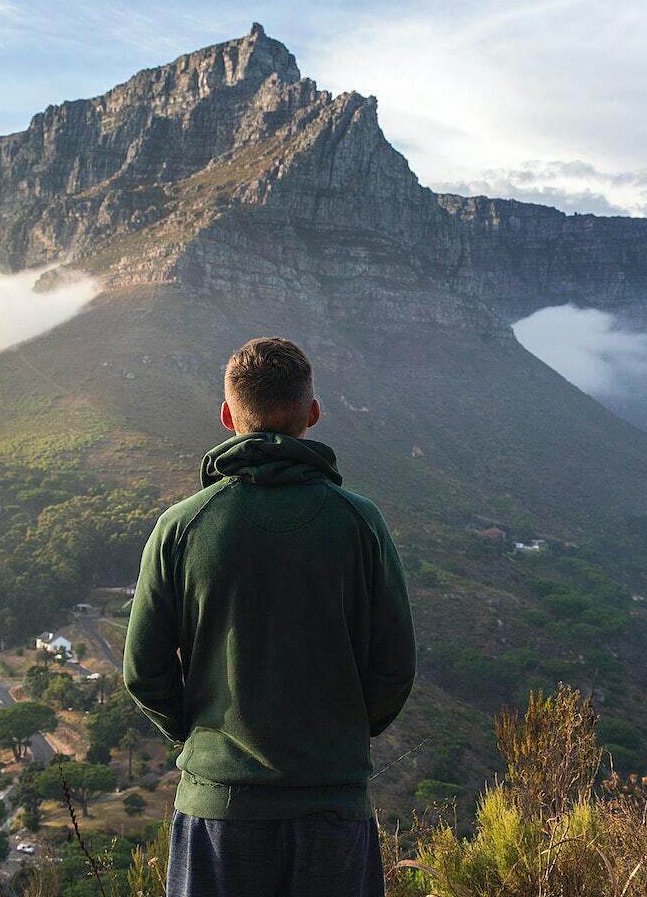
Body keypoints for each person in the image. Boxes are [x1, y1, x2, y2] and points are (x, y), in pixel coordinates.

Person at [124, 336, 417, 896]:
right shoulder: (360, 523)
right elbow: (395, 668)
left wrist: (201, 740)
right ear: (312, 413)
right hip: (333, 807)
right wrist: (342, 734)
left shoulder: (183, 527)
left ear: (228, 414)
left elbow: (144, 671)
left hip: (218, 812)